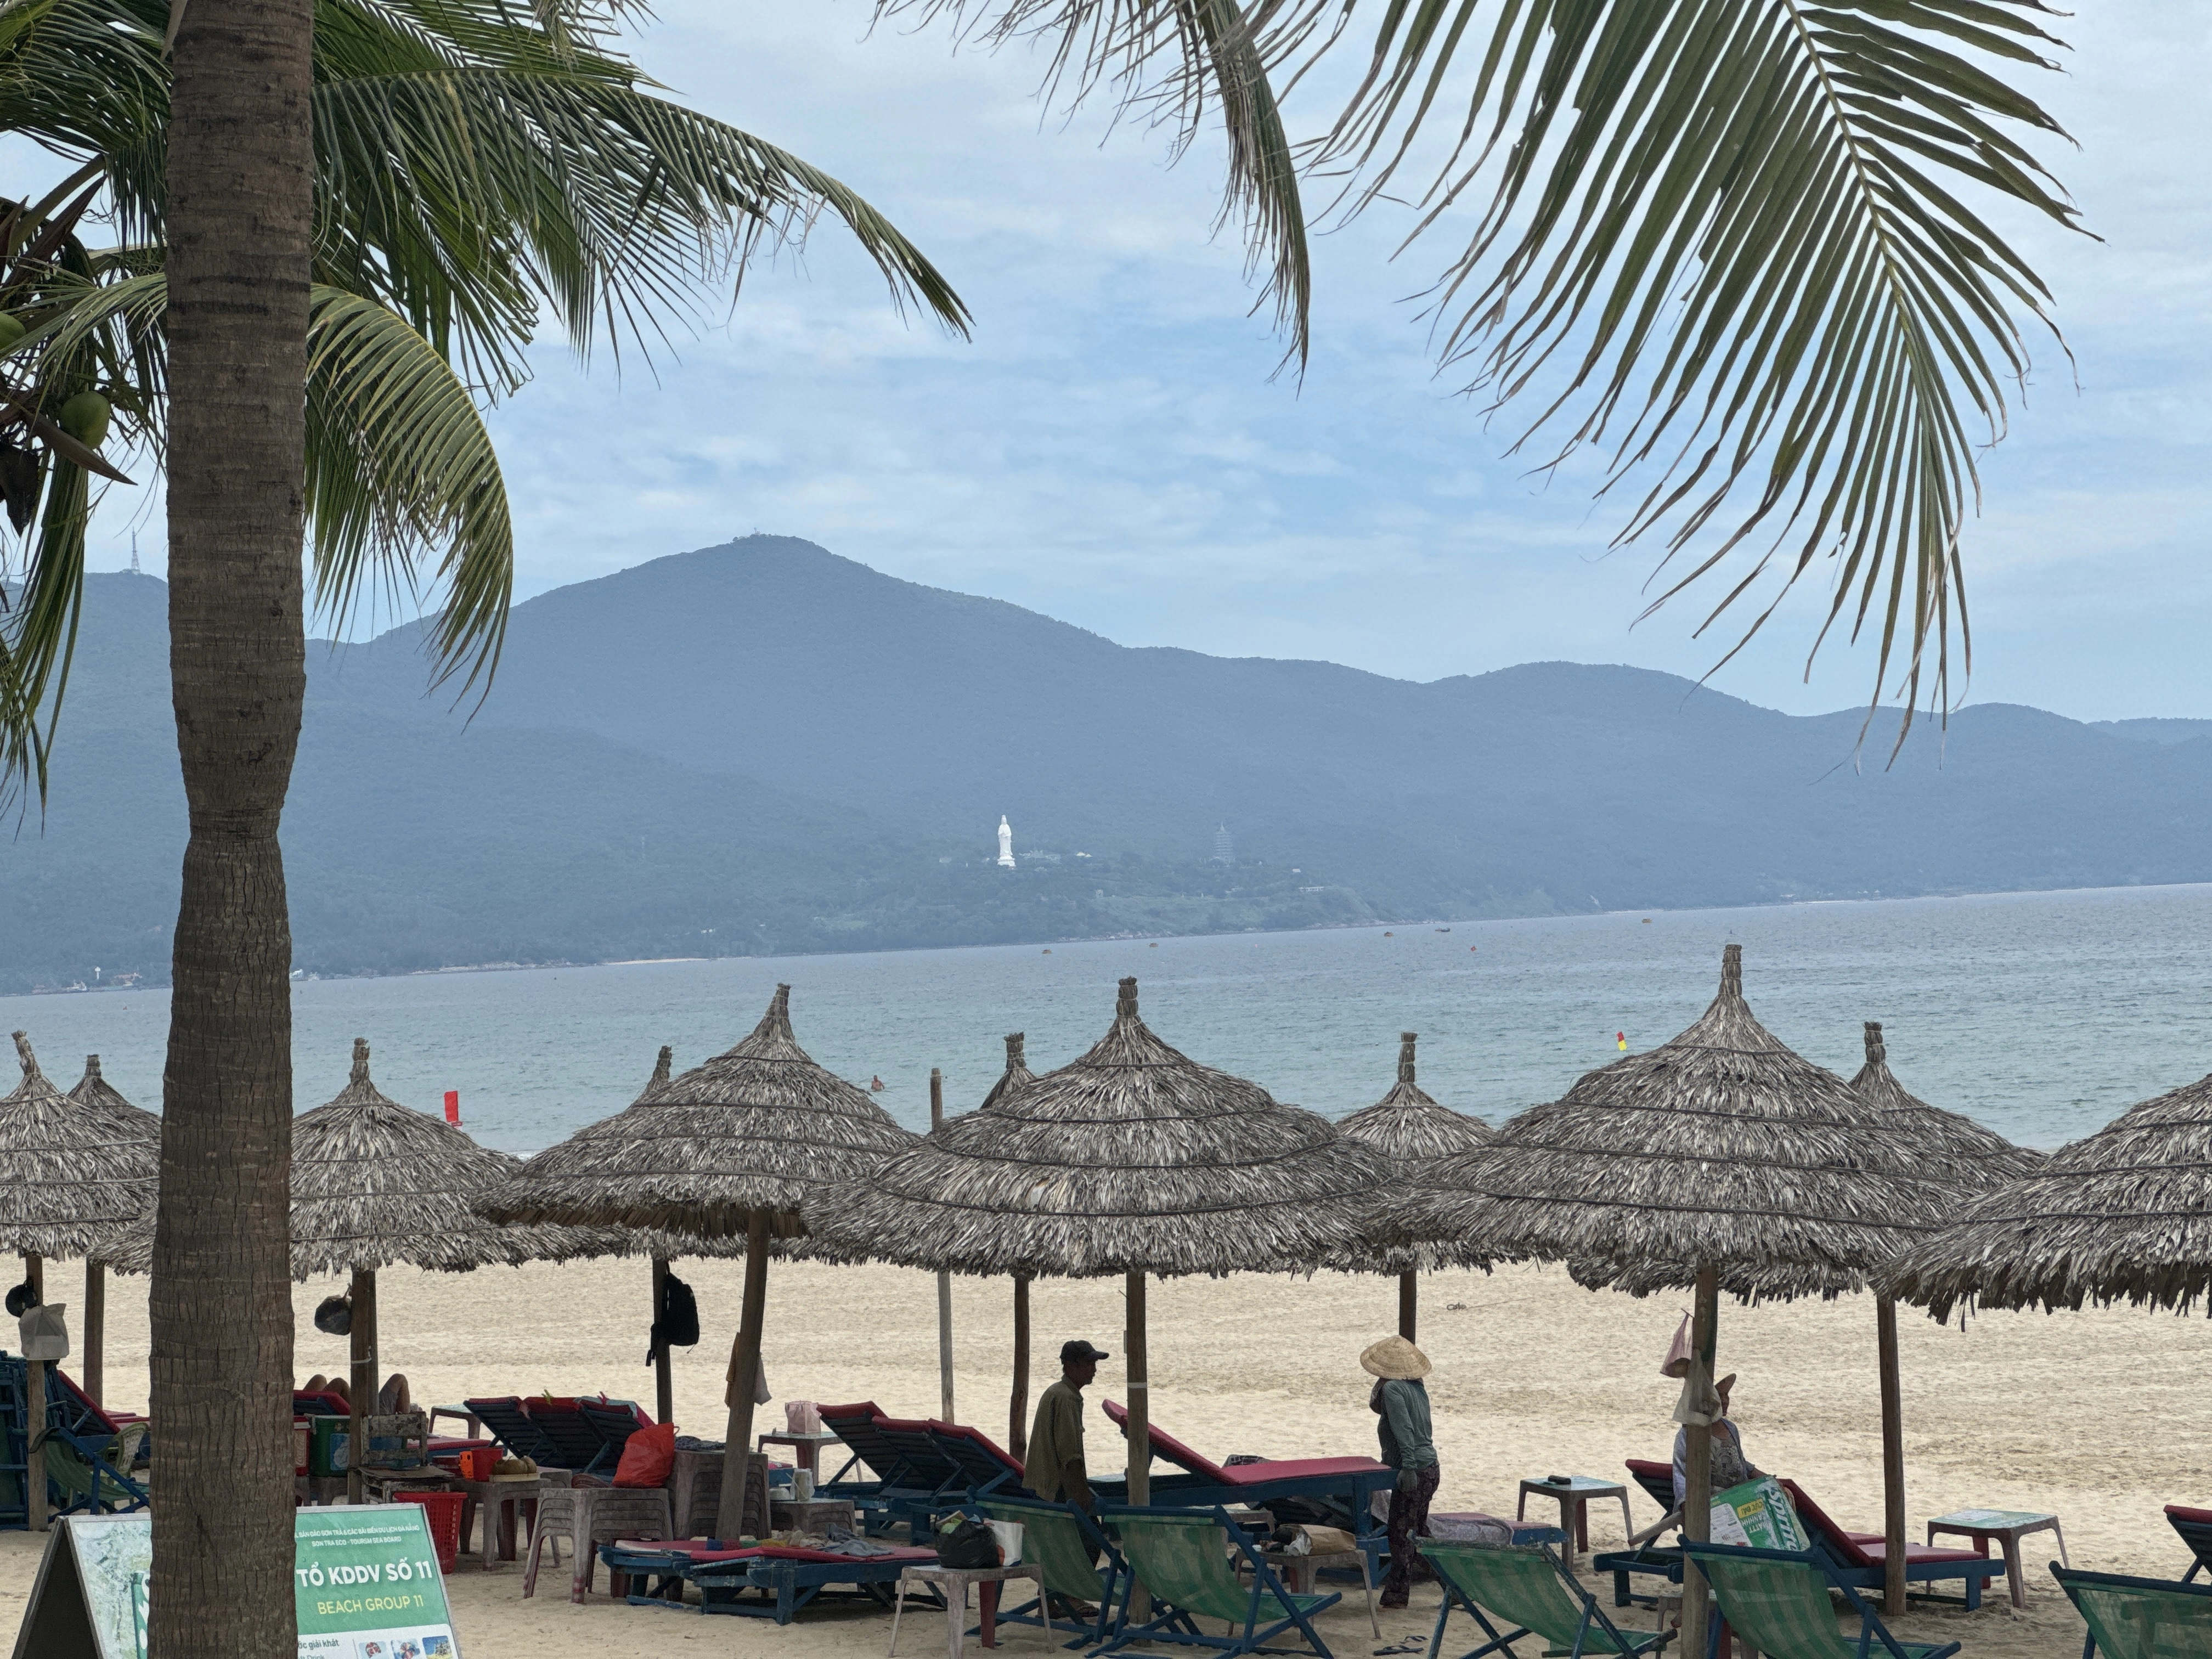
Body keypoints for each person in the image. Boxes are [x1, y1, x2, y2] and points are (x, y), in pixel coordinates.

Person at [1362, 1334, 1438, 1609]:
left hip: (1415, 1469)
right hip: (1430, 1467)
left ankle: (1397, 1594)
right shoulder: (1417, 1388)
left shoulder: (1394, 1390)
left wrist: (1407, 1466)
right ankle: (1452, 1583)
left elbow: (1403, 1429)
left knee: (1401, 1533)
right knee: (1417, 1530)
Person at [1028, 1338, 1109, 1512]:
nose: (1094, 1369)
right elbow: (1070, 1455)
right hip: (1057, 1490)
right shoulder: (1066, 1398)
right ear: (1071, 1365)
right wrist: (1082, 1496)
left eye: (1094, 1363)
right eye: (1089, 1363)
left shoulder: (1057, 1391)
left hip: (1043, 1487)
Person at [1672, 1372, 1763, 1508]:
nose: (1725, 1401)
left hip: (1741, 1498)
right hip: (1712, 1505)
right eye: (1720, 1396)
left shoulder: (1730, 1428)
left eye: (1727, 1395)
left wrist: (1771, 1480)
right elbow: (1681, 1476)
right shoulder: (1688, 1435)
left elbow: (1740, 1463)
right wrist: (1686, 1506)